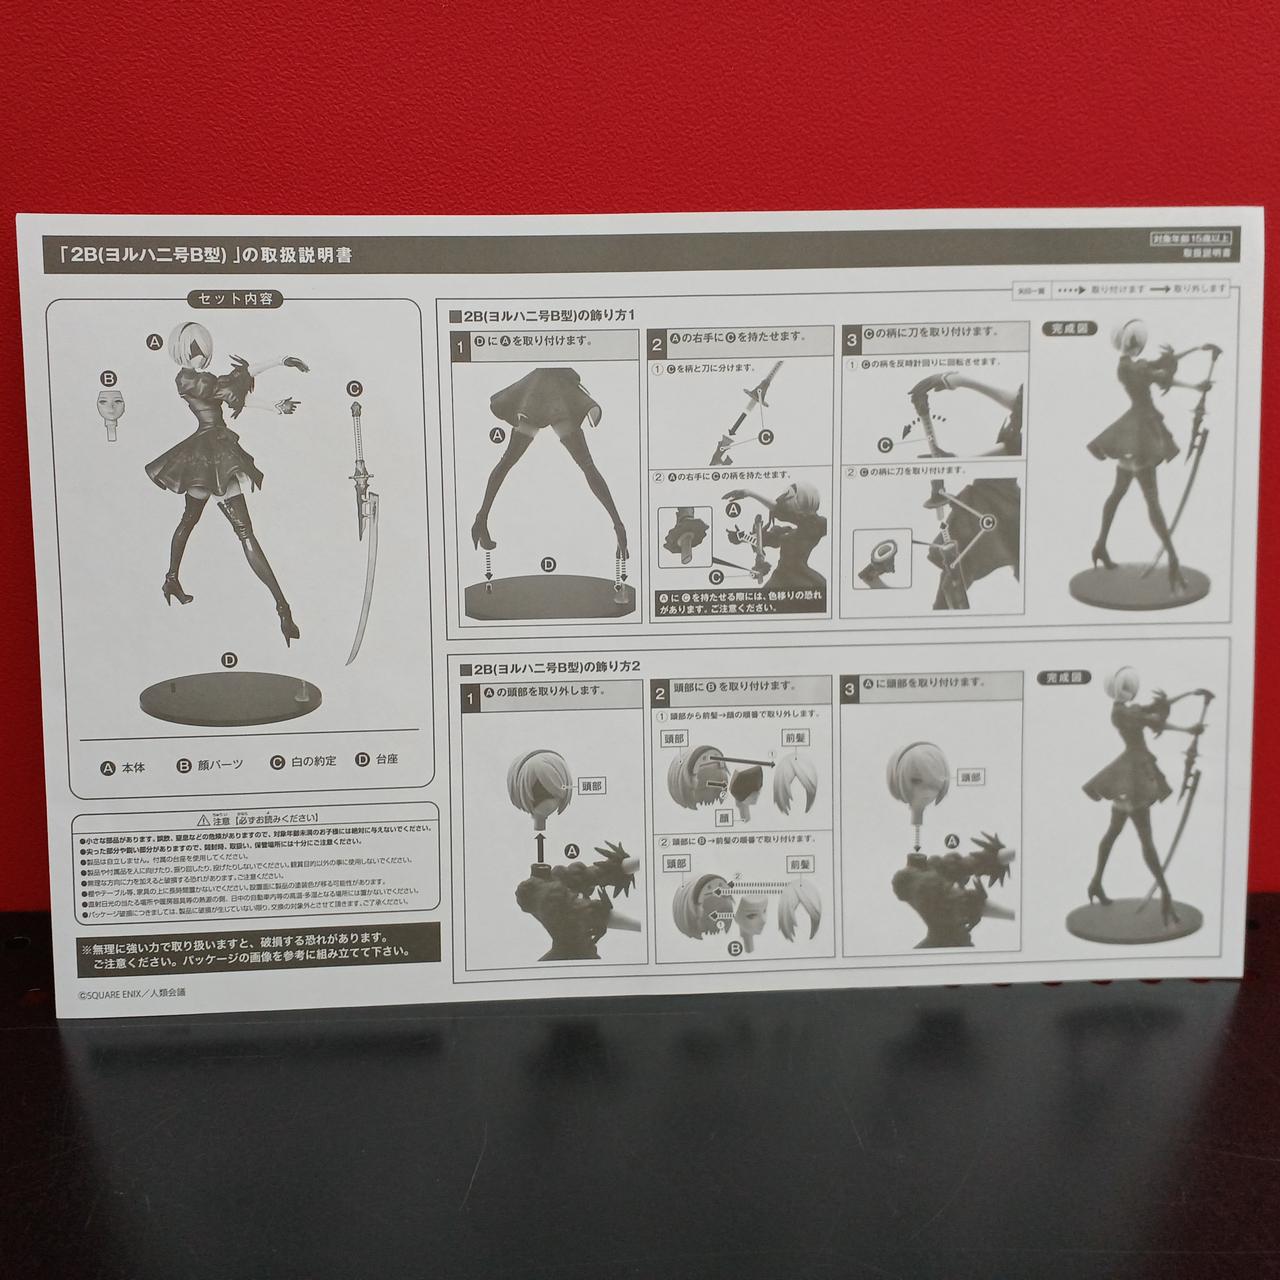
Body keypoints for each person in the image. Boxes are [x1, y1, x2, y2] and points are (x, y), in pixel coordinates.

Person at [145, 321, 309, 645]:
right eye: (197, 349)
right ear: (185, 351)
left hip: (202, 454)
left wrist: (277, 386)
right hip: (214, 453)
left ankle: (171, 579)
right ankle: (283, 608)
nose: (202, 354)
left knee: (189, 519)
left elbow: (235, 390)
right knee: (244, 532)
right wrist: (278, 366)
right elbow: (235, 388)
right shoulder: (195, 380)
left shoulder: (189, 379)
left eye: (201, 349)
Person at [1086, 321, 1215, 591]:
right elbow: (1160, 374)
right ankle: (1173, 561)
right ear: (1133, 343)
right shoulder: (1131, 368)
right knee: (1152, 501)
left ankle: (1099, 546)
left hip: (1134, 429)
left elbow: (1160, 366)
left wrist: (1195, 349)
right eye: (1137, 342)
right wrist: (1194, 386)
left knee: (1118, 493)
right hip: (1140, 433)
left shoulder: (1132, 366)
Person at [1083, 667, 1207, 925]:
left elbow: (1155, 708)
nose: (1130, 690)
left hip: (1130, 770)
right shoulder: (1122, 713)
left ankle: (1095, 883)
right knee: (1145, 841)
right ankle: (1166, 895)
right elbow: (1154, 720)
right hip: (1133, 776)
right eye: (1125, 686)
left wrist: (1189, 693)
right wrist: (1187, 729)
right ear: (1117, 690)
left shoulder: (1127, 710)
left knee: (1113, 833)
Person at [470, 367, 628, 559]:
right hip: (556, 396)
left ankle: (481, 520)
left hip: (536, 395)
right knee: (587, 465)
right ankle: (619, 527)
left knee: (507, 461)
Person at [721, 481, 827, 592]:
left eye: (789, 498)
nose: (783, 503)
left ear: (803, 501)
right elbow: (762, 540)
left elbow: (782, 511)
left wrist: (749, 493)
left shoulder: (814, 528)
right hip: (780, 576)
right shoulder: (786, 532)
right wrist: (742, 537)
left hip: (798, 577)